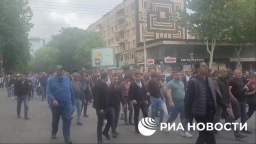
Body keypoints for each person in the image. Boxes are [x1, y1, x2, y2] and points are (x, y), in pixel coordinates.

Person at [185, 63, 222, 144]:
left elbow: (215, 94)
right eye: (203, 66)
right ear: (197, 69)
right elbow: (188, 99)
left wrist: (224, 106)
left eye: (206, 66)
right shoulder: (193, 81)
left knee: (205, 133)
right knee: (208, 133)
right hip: (200, 112)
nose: (206, 67)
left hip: (210, 111)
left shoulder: (209, 80)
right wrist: (187, 115)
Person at [47, 65, 75, 144]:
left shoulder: (67, 79)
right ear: (56, 71)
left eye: (62, 70)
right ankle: (54, 132)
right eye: (59, 70)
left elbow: (71, 91)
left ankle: (67, 137)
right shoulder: (50, 80)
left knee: (67, 121)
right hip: (56, 105)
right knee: (55, 121)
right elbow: (48, 92)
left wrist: (73, 104)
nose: (61, 71)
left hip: (66, 105)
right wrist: (53, 99)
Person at [216, 69, 246, 139]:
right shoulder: (217, 81)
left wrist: (230, 101)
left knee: (231, 118)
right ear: (220, 73)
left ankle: (237, 134)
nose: (225, 74)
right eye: (224, 72)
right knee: (216, 118)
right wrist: (223, 102)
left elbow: (227, 92)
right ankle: (212, 131)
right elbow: (218, 94)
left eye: (226, 72)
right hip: (219, 104)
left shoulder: (226, 81)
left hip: (226, 103)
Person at [167, 71, 192, 138]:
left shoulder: (181, 82)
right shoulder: (170, 83)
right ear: (173, 75)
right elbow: (168, 93)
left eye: (180, 75)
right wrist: (170, 101)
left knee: (184, 117)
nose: (179, 76)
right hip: (175, 102)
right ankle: (167, 125)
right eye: (177, 75)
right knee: (173, 116)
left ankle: (184, 131)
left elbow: (183, 91)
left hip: (183, 102)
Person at [93, 72, 113, 144]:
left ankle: (105, 132)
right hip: (101, 108)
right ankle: (99, 139)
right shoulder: (99, 84)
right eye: (107, 77)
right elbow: (97, 97)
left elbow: (107, 94)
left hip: (107, 106)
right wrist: (99, 109)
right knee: (100, 123)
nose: (108, 78)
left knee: (111, 119)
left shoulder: (105, 83)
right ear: (105, 77)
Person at [229, 69, 250, 134]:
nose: (240, 74)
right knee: (237, 115)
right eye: (238, 73)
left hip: (243, 99)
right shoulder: (232, 80)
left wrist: (246, 88)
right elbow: (229, 90)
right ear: (235, 74)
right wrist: (232, 98)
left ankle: (243, 128)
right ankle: (229, 122)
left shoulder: (242, 79)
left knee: (244, 115)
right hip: (236, 100)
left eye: (240, 73)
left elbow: (245, 85)